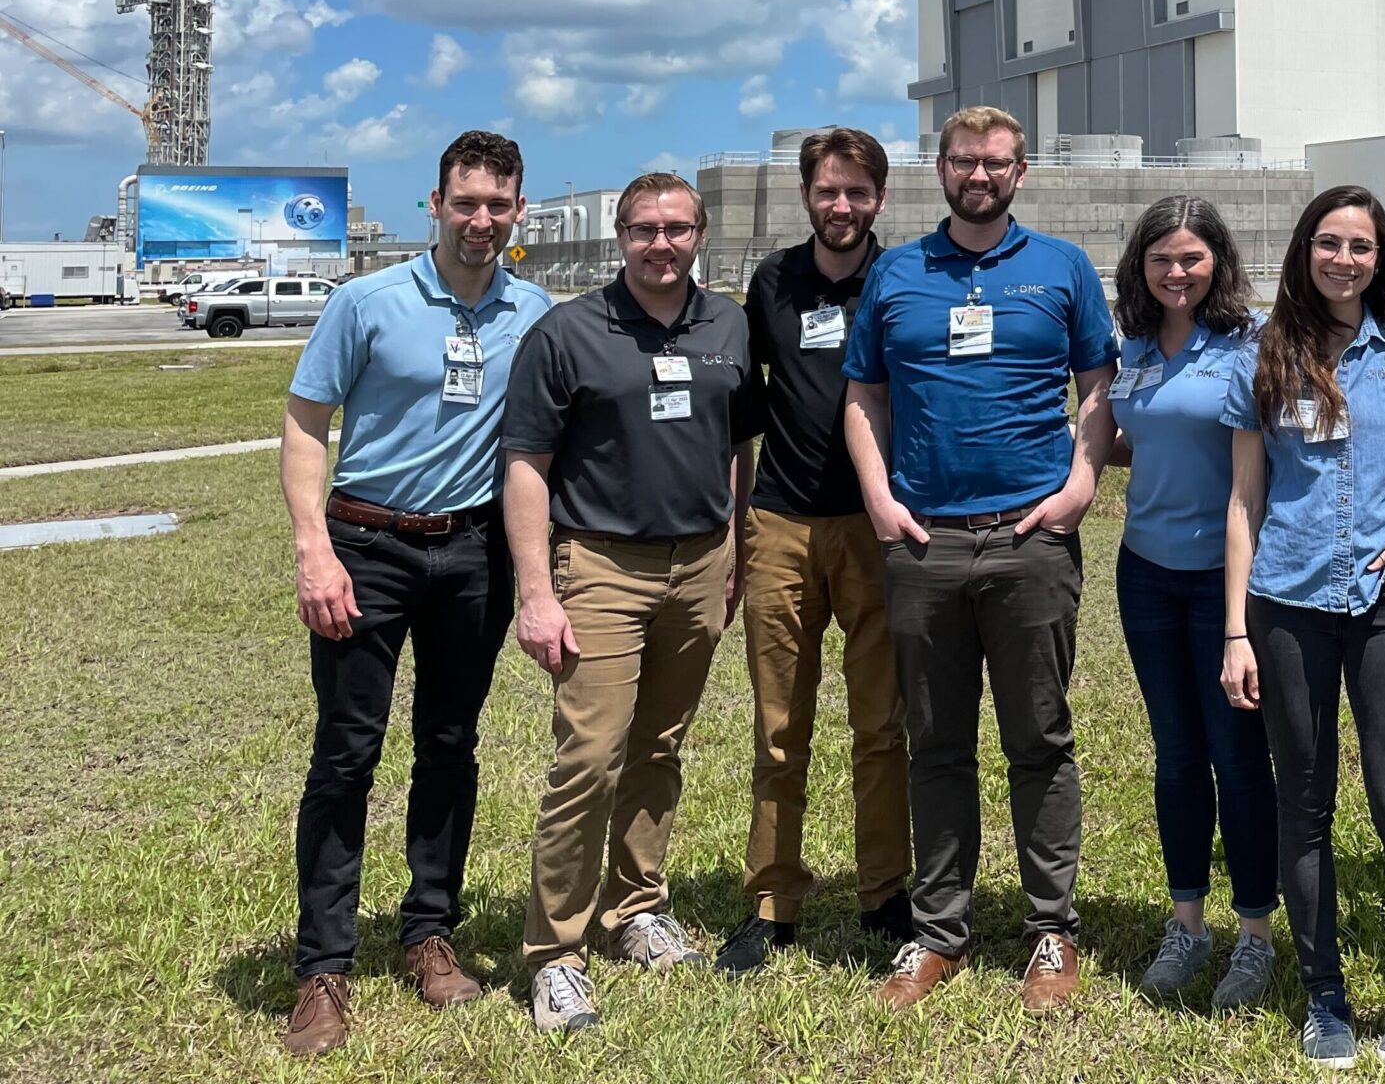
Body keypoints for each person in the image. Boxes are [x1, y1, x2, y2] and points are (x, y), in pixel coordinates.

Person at [274, 131, 551, 1057]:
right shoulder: (367, 301)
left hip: (473, 554)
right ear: (435, 205)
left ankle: (430, 933)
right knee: (347, 754)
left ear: (520, 210)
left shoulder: (536, 313)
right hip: (367, 545)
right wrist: (315, 548)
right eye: (465, 202)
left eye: (498, 205)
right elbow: (308, 422)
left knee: (449, 746)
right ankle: (323, 969)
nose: (481, 220)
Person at [841, 105, 1118, 1012]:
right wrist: (881, 501)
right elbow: (864, 397)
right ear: (942, 169)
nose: (980, 176)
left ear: (1020, 172)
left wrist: (1080, 484)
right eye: (965, 162)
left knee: (1039, 738)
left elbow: (1097, 385)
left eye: (996, 164)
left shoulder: (1062, 269)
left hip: (1031, 540)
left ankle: (1050, 932)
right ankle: (940, 931)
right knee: (937, 745)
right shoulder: (898, 273)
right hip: (925, 543)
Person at [502, 171, 765, 1034]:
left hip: (700, 565)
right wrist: (537, 591)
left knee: (660, 747)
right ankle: (556, 954)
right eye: (645, 229)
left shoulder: (727, 323)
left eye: (678, 228)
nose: (662, 243)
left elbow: (738, 443)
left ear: (700, 234)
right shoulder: (568, 332)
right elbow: (527, 467)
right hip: (602, 566)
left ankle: (637, 907)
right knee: (589, 759)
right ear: (620, 236)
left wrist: (732, 543)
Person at [1223, 184, 1385, 1069]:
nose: (1345, 260)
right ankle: (1325, 997)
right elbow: (1245, 498)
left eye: (1361, 246)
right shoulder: (1266, 354)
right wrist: (1237, 632)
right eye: (1329, 243)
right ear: (1304, 252)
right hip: (1289, 604)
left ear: (1380, 258)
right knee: (1305, 807)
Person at [716, 127, 913, 977]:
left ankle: (885, 893)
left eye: (857, 193)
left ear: (878, 199)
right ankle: (772, 901)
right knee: (777, 727)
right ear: (807, 195)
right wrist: (735, 530)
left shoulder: (903, 281)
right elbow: (742, 419)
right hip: (781, 527)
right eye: (828, 191)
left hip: (878, 529)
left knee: (882, 724)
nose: (842, 206)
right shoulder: (771, 284)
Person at [1107, 195, 1281, 1011]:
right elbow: (1122, 441)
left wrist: (1243, 615)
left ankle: (1254, 936)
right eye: (1161, 259)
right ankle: (1187, 925)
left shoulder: (1250, 347)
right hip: (1144, 572)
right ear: (1139, 266)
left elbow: (1264, 472)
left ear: (1219, 260)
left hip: (1227, 581)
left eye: (1192, 257)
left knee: (1237, 758)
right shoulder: (1132, 349)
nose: (1177, 272)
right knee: (1176, 757)